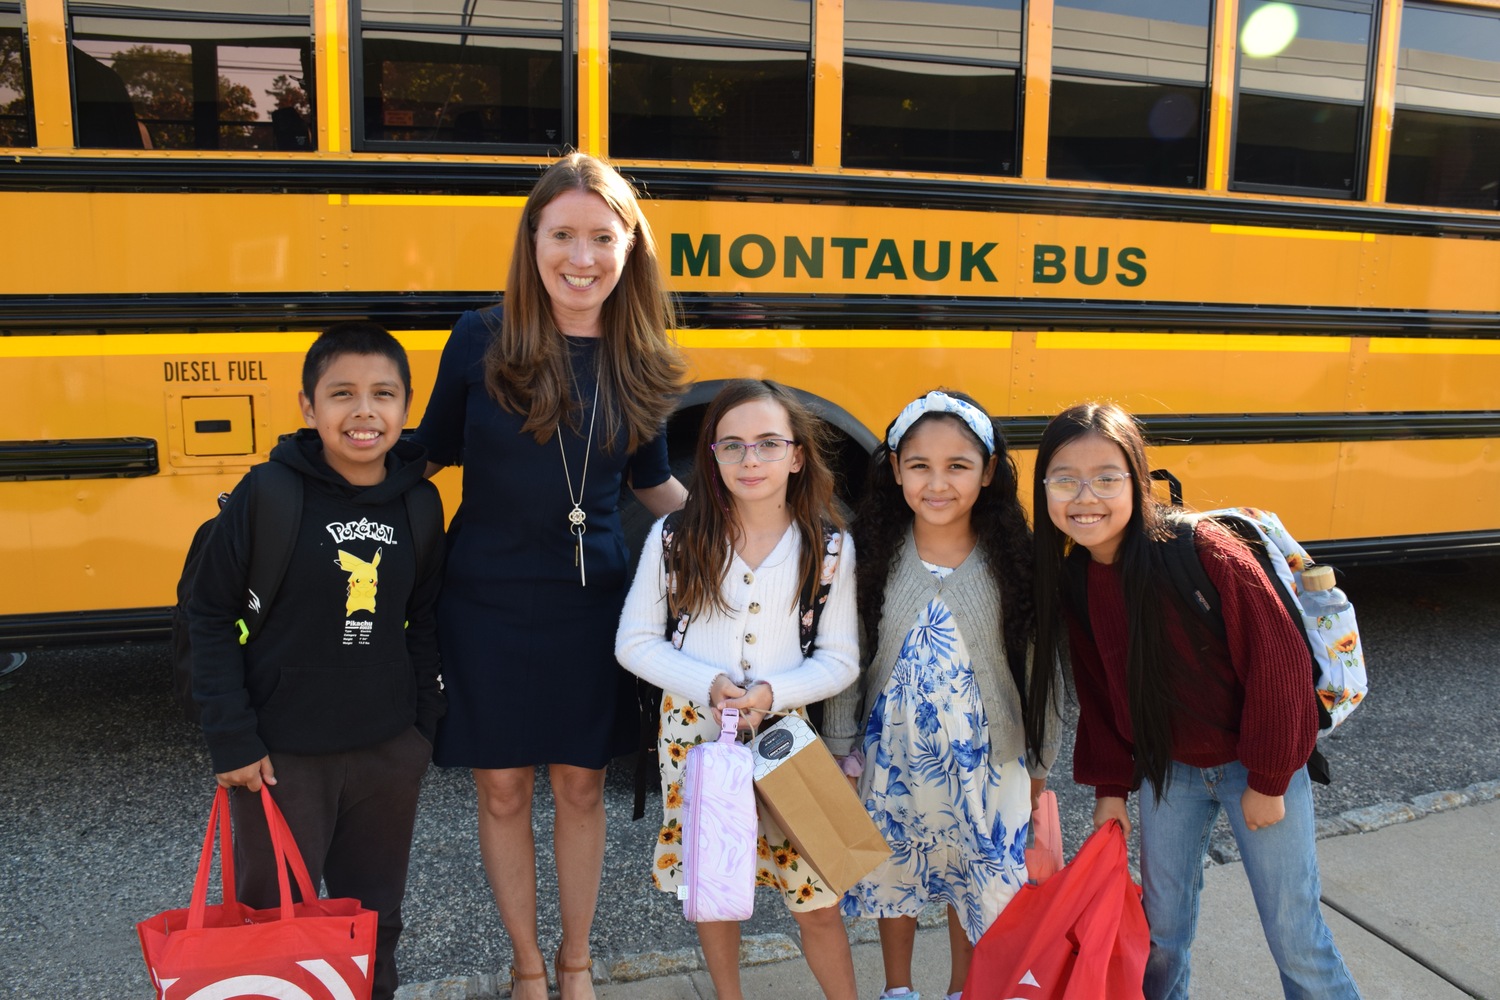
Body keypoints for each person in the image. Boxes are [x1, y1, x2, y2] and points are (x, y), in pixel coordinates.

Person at [414, 152, 687, 1000]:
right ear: (532, 240)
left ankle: (577, 965)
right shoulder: (480, 338)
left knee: (581, 782)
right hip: (485, 600)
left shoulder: (639, 354)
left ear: (628, 247)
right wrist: (305, 486)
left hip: (593, 603)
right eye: (562, 234)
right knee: (500, 790)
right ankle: (526, 968)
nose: (582, 257)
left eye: (601, 237)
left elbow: (654, 485)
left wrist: (754, 531)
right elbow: (426, 455)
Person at [1029, 402, 1362, 1000]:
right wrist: (1111, 792)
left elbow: (1280, 664)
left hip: (1254, 767)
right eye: (1065, 479)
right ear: (1044, 488)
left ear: (1137, 477)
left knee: (1295, 936)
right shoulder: (1079, 577)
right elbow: (1101, 692)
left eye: (1107, 477)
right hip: (1170, 773)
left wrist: (1266, 778)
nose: (1087, 496)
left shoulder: (1203, 550)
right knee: (1160, 936)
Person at [188, 322, 445, 1000]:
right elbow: (208, 617)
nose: (364, 412)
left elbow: (423, 622)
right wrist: (232, 740)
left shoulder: (419, 503)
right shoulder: (268, 495)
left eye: (383, 394)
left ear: (406, 405)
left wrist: (423, 729)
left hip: (386, 755)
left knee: (374, 925)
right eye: (342, 394)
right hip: (281, 762)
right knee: (275, 932)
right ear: (308, 406)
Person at [615, 378, 861, 1000]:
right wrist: (709, 683)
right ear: (712, 455)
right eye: (733, 446)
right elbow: (635, 643)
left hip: (784, 739)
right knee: (716, 887)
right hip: (696, 738)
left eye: (769, 444)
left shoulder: (829, 547)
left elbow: (840, 659)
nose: (751, 460)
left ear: (797, 455)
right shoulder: (676, 537)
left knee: (819, 891)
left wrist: (772, 692)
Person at [826, 388, 1059, 1000]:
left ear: (987, 473)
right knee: (892, 868)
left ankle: (964, 987)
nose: (938, 483)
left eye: (958, 465)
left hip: (986, 759)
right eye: (919, 465)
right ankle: (898, 988)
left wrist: (1039, 763)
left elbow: (1042, 677)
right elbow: (847, 660)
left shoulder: (1015, 562)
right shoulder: (869, 554)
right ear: (896, 469)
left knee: (971, 874)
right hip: (890, 757)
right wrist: (839, 744)